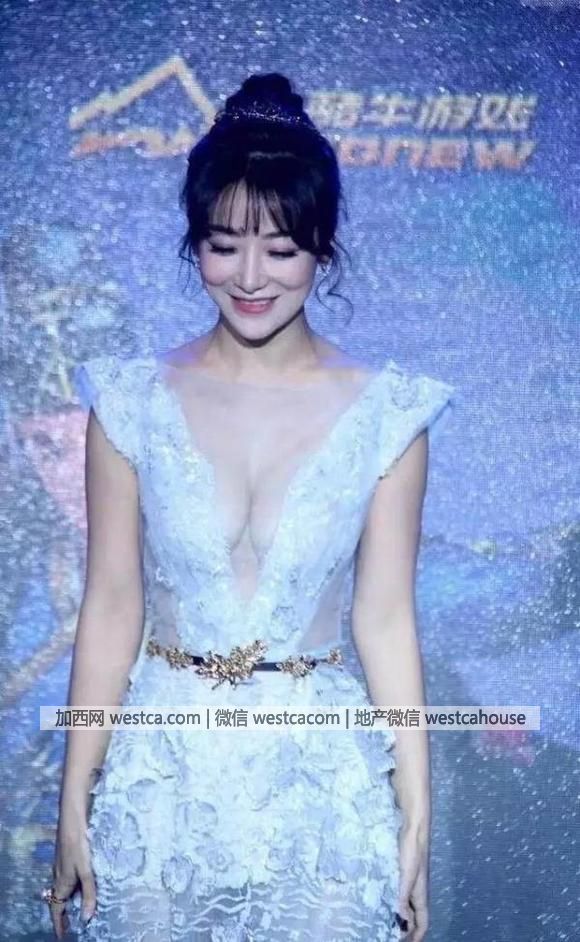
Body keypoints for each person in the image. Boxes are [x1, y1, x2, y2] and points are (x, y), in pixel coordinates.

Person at [43, 72, 457, 942]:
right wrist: (73, 798)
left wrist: (417, 814)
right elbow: (111, 605)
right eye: (224, 245)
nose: (251, 276)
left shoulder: (388, 413)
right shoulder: (130, 401)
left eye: (281, 248)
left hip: (319, 778)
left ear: (323, 248)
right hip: (161, 774)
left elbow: (385, 619)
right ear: (194, 246)